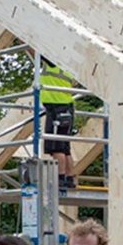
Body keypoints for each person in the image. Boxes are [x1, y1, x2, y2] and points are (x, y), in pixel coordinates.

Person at [40, 56, 76, 190]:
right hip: (66, 107)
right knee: (65, 147)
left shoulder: (54, 61)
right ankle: (69, 178)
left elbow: (36, 52)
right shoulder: (66, 67)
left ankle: (60, 178)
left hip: (57, 107)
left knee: (56, 146)